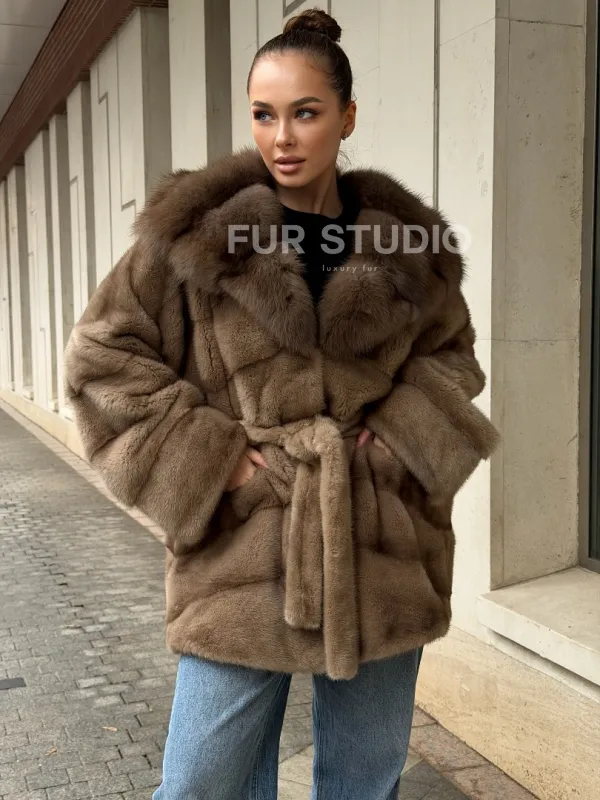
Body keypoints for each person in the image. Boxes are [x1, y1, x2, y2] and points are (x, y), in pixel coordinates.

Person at [64, 8, 499, 799]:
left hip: (377, 542)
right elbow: (103, 361)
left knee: (365, 780)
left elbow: (454, 358)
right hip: (244, 544)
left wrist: (397, 445)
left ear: (347, 117)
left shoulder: (409, 246)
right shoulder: (195, 237)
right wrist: (218, 463)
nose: (283, 137)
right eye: (264, 114)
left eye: (305, 112)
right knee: (200, 784)